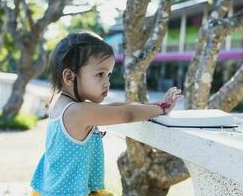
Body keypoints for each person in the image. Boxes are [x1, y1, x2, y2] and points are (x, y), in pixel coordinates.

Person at [30, 31, 182, 196]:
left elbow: (115, 107)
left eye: (108, 75)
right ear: (69, 76)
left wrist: (153, 104)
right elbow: (125, 114)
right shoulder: (78, 112)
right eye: (100, 74)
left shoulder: (62, 105)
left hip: (52, 189)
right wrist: (162, 108)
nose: (106, 83)